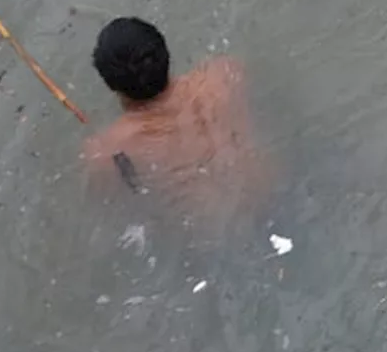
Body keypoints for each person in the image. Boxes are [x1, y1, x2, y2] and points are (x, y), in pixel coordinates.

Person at [83, 17, 260, 226]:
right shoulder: (225, 74)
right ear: (165, 51)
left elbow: (114, 206)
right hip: (267, 196)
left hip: (210, 236)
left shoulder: (107, 151)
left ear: (111, 85)